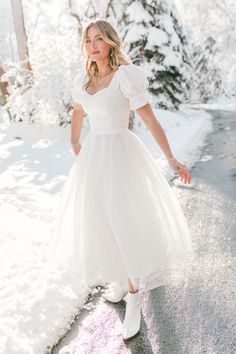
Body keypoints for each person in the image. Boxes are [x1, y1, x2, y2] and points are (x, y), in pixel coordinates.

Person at [51, 18, 194, 341]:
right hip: (94, 157)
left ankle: (133, 294)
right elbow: (77, 111)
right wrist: (75, 141)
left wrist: (171, 158)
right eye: (88, 40)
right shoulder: (85, 80)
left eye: (99, 38)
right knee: (102, 220)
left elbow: (150, 119)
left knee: (123, 221)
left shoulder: (125, 77)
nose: (93, 45)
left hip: (121, 153)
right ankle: (121, 277)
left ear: (111, 42)